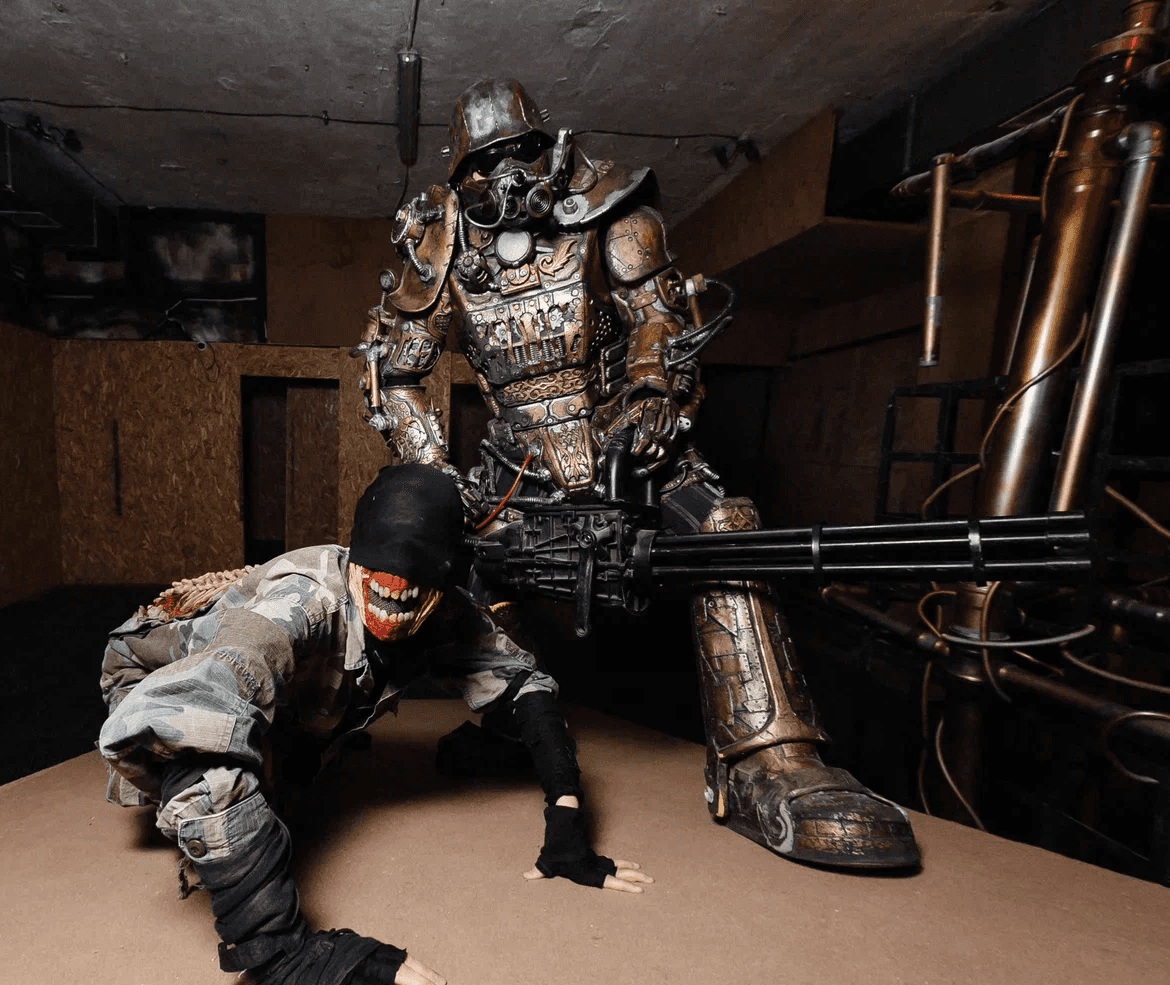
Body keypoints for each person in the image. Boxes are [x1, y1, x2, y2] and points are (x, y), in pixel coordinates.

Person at [354, 77, 919, 870]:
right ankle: (515, 728)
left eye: (521, 151)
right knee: (446, 553)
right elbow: (395, 374)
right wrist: (436, 473)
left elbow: (659, 317)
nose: (507, 175)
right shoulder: (440, 243)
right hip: (516, 470)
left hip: (631, 450)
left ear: (549, 149)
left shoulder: (609, 209)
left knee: (727, 532)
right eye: (485, 161)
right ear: (460, 172)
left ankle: (768, 762)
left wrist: (652, 393)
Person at [97, 464, 651, 985]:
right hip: (152, 676)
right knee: (222, 769)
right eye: (380, 569)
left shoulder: (446, 609)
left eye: (418, 577)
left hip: (295, 693)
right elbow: (183, 711)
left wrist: (566, 816)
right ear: (355, 561)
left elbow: (524, 681)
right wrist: (279, 951)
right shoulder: (301, 605)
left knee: (304, 759)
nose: (396, 587)